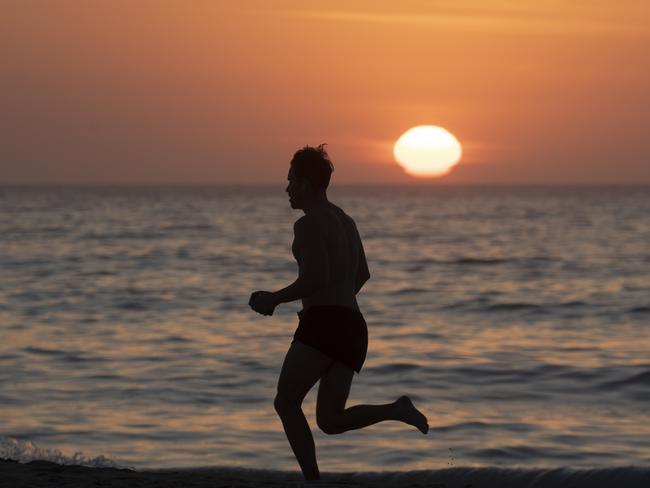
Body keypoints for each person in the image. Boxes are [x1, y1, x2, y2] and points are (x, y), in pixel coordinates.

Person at [249, 144, 428, 482]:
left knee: (285, 403)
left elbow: (316, 278)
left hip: (327, 325)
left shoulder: (309, 224)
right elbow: (361, 275)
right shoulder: (345, 220)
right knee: (329, 421)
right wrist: (337, 302)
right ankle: (395, 409)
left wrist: (273, 299)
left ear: (311, 184)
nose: (287, 188)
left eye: (293, 182)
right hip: (352, 327)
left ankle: (312, 481)